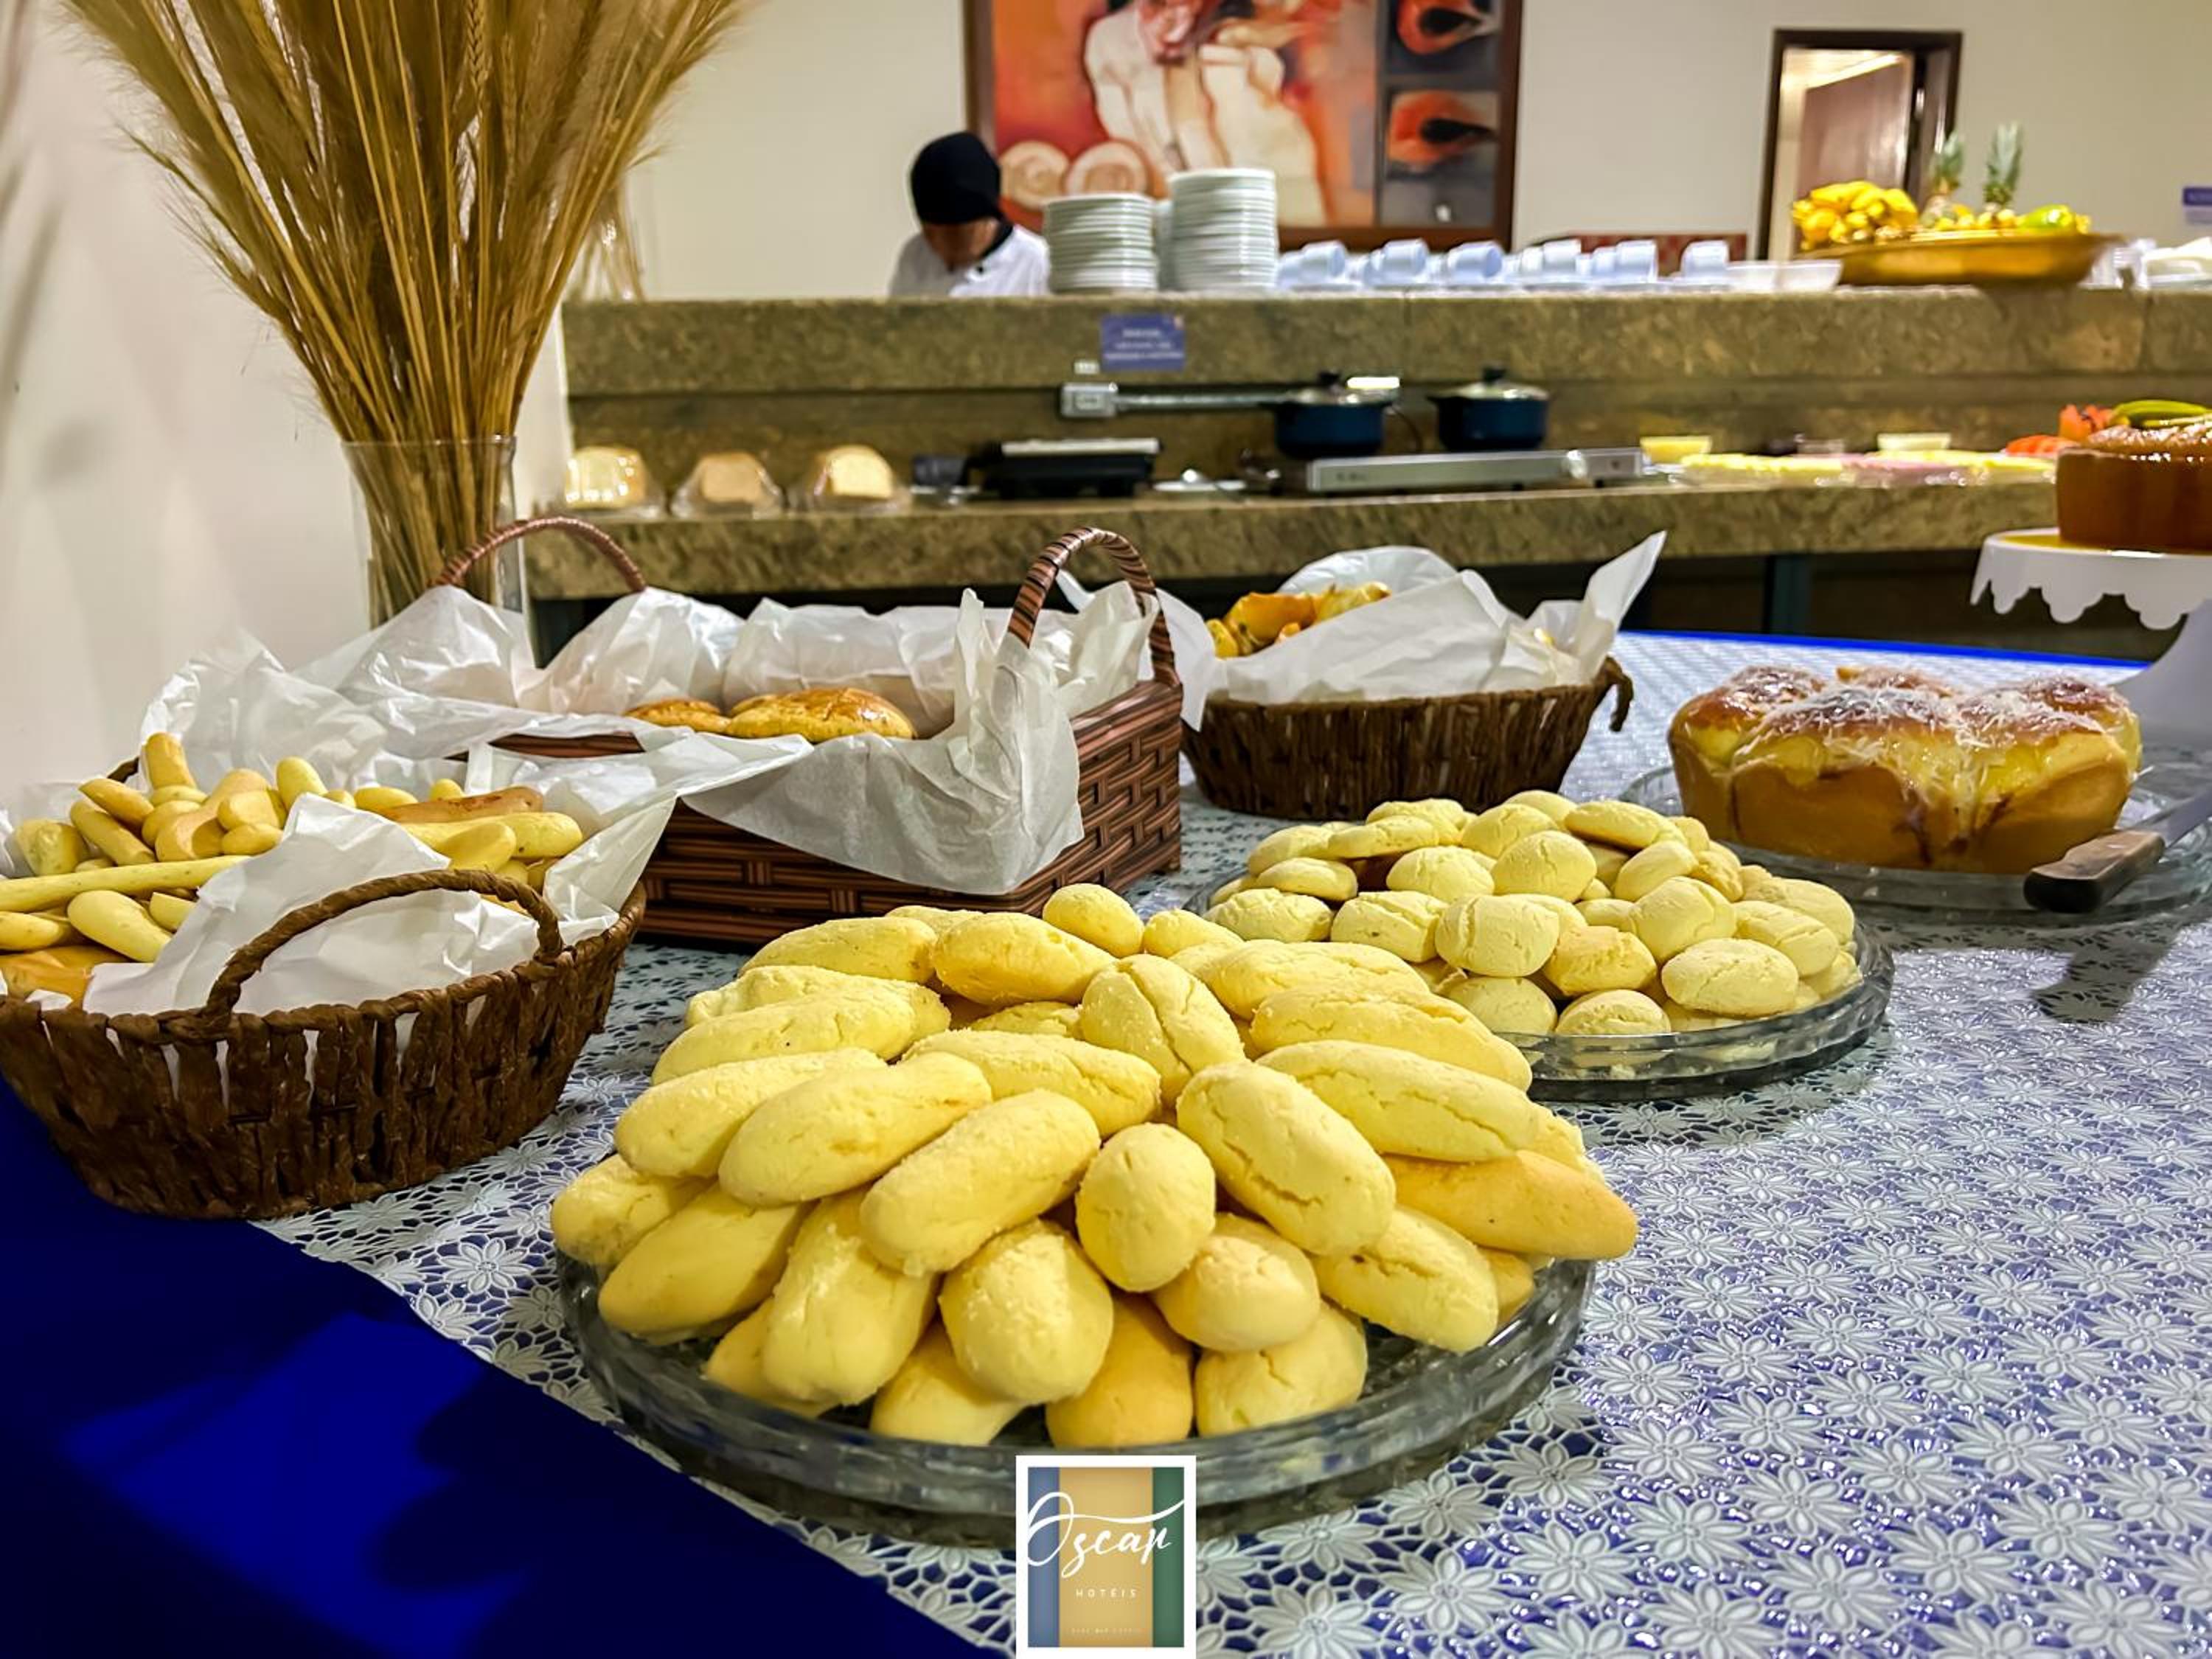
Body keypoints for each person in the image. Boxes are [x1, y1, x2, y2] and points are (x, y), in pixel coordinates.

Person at [887, 133, 1050, 298]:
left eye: (954, 235)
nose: (940, 245)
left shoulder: (1038, 263)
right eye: (930, 233)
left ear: (987, 222)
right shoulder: (916, 254)